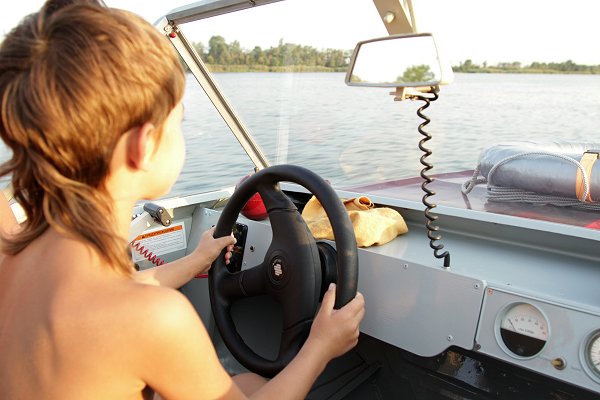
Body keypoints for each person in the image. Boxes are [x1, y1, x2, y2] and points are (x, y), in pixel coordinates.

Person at [0, 1, 365, 399]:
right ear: (143, 144)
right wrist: (320, 347)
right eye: (179, 122)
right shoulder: (155, 319)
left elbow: (110, 296)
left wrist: (195, 261)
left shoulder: (16, 259)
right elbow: (126, 306)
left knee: (250, 382)